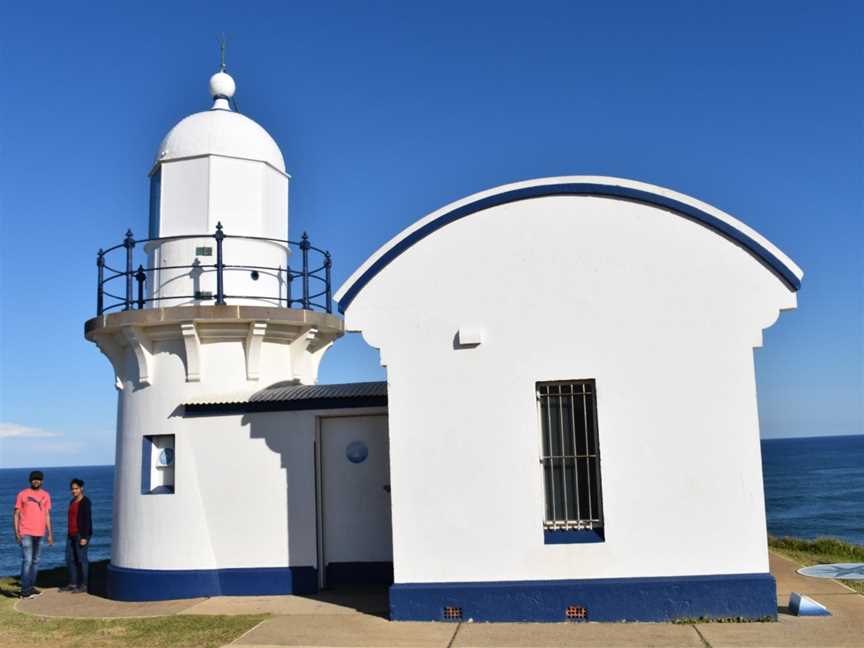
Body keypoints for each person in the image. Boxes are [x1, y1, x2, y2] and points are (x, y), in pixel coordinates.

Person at [13, 470, 53, 598]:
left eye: (38, 479)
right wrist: (16, 532)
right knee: (28, 561)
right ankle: (24, 591)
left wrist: (50, 533)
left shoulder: (46, 495)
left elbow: (47, 515)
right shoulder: (22, 494)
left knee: (36, 561)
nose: (36, 481)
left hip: (40, 532)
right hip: (26, 532)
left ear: (42, 481)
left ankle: (30, 587)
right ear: (30, 480)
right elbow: (16, 514)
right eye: (34, 479)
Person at [61, 478, 92, 593]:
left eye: (76, 488)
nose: (73, 491)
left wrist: (84, 537)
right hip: (71, 534)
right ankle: (73, 583)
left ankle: (84, 585)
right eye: (72, 489)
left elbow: (87, 521)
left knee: (82, 559)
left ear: (81, 489)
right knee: (69, 559)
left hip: (81, 534)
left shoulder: (85, 502)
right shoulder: (72, 501)